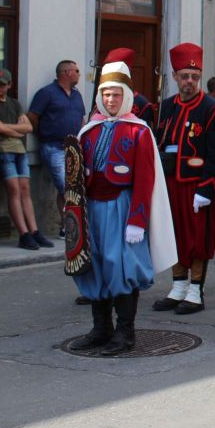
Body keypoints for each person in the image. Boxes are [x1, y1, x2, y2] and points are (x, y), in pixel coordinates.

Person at [68, 58, 177, 355]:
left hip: (123, 208)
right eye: (106, 94)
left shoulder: (139, 131)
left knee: (122, 268)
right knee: (95, 266)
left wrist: (137, 221)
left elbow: (145, 179)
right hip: (93, 210)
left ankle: (125, 333)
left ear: (126, 96)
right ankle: (101, 329)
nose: (110, 100)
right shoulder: (88, 130)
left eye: (116, 94)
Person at [151, 43, 215, 315]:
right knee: (174, 236)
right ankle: (178, 285)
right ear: (175, 76)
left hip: (196, 184)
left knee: (197, 238)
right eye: (184, 76)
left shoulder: (210, 108)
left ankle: (195, 290)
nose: (190, 82)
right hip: (171, 183)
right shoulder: (165, 107)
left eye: (195, 77)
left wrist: (206, 188)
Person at [0, 68, 51, 249]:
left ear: (9, 85)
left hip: (21, 151)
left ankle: (34, 231)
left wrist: (8, 129)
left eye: (2, 85)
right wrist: (16, 130)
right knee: (13, 190)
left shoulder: (14, 103)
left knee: (25, 190)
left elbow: (28, 127)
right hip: (3, 150)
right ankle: (23, 234)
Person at [28, 60, 86, 237]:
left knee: (71, 188)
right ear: (66, 72)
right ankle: (74, 227)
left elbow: (81, 118)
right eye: (76, 70)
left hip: (74, 149)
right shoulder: (47, 93)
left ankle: (65, 227)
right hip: (54, 147)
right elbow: (32, 116)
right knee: (66, 187)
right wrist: (42, 134)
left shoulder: (77, 95)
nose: (79, 74)